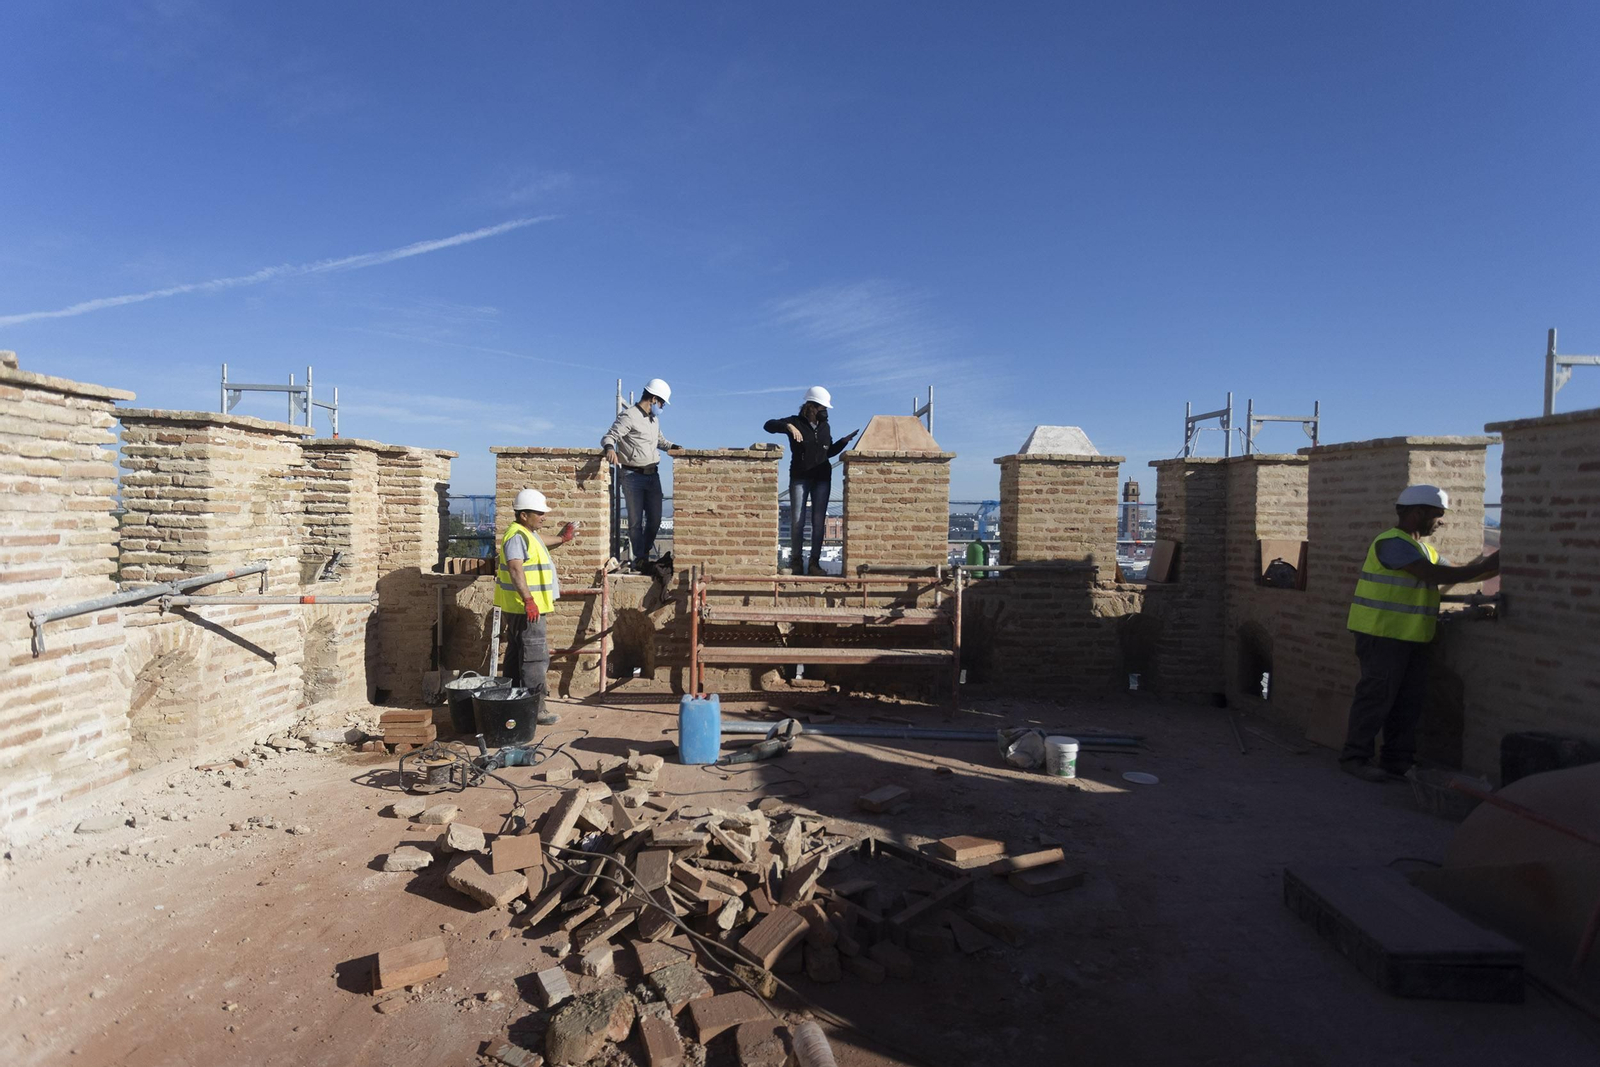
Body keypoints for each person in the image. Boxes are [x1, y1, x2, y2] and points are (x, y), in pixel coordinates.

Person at [1339, 485, 1499, 782]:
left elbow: (1465, 572)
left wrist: (1492, 565)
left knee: (1407, 703)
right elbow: (1433, 575)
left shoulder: (1424, 549)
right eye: (1437, 516)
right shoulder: (1391, 543)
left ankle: (1397, 761)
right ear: (1417, 513)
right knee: (1376, 698)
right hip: (1381, 634)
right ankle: (1354, 757)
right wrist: (1488, 566)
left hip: (1412, 636)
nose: (1441, 522)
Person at [494, 488, 578, 726]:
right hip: (526, 608)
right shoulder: (517, 536)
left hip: (522, 607)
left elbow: (541, 543)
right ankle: (536, 709)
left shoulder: (525, 534)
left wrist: (562, 539)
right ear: (523, 515)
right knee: (534, 657)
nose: (544, 516)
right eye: (539, 513)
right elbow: (515, 568)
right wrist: (529, 600)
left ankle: (512, 701)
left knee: (515, 655)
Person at [763, 386, 857, 575]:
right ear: (812, 407)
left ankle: (814, 564)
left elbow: (827, 452)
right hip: (799, 477)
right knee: (797, 520)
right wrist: (788, 427)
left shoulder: (825, 427)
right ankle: (796, 563)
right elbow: (768, 425)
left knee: (818, 521)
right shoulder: (795, 421)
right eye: (823, 408)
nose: (825, 412)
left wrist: (843, 442)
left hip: (822, 478)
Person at [603, 378, 678, 572]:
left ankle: (642, 556)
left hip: (653, 476)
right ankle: (641, 559)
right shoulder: (629, 416)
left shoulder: (654, 420)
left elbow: (660, 441)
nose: (661, 407)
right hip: (632, 476)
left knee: (655, 519)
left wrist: (675, 447)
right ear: (653, 399)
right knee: (635, 521)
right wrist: (610, 448)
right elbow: (610, 436)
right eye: (661, 403)